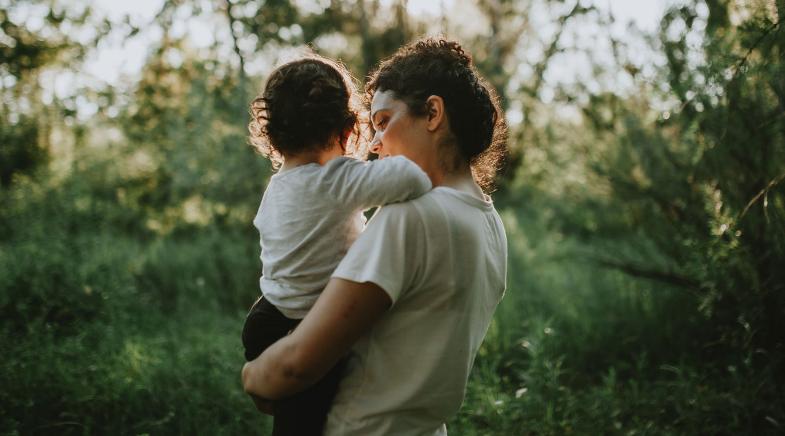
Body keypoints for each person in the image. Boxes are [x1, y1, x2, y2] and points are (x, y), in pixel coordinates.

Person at [242, 37, 509, 435]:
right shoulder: (489, 223)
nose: (375, 143)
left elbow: (293, 367)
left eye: (383, 121)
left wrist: (250, 375)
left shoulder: (411, 218)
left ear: (433, 113)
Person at [242, 55, 432, 435]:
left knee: (289, 418)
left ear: (274, 135)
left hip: (266, 318)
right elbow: (414, 179)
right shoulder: (335, 181)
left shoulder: (279, 186)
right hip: (303, 327)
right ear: (348, 132)